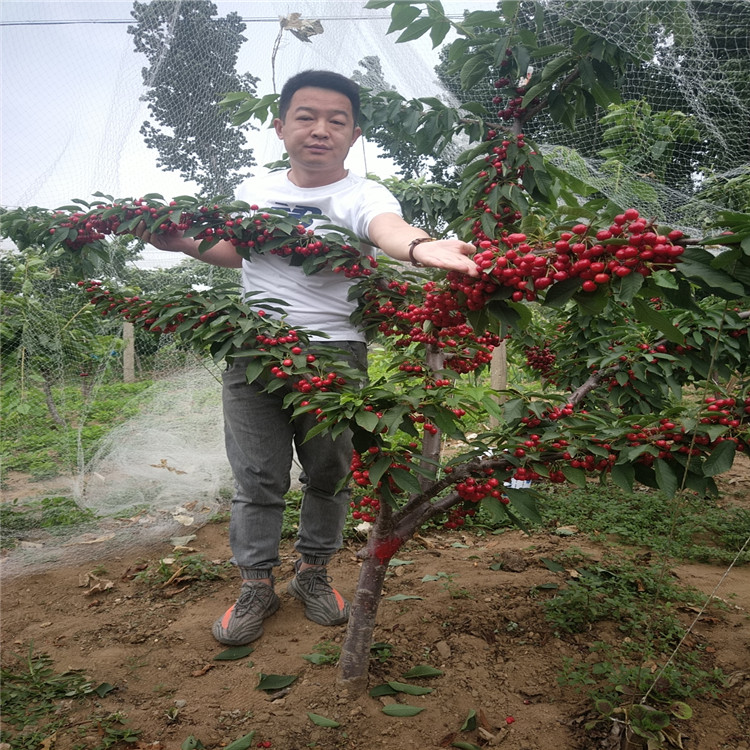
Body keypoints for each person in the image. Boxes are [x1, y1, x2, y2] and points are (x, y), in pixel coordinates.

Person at [137, 69, 478, 646]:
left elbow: (387, 229)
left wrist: (421, 247)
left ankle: (313, 573)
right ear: (281, 125)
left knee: (328, 473)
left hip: (334, 356)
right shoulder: (253, 191)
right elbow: (233, 252)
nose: (320, 130)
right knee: (257, 477)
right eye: (306, 116)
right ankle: (256, 583)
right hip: (254, 351)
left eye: (336, 121)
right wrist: (187, 244)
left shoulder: (362, 195)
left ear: (354, 133)